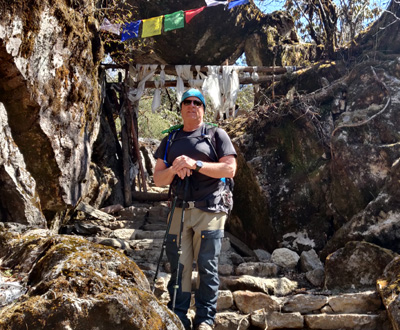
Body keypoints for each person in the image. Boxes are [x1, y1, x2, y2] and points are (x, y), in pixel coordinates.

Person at [153, 88, 237, 330]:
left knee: (207, 265)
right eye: (187, 102)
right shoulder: (169, 140)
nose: (192, 106)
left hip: (210, 208)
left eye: (197, 103)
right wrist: (175, 169)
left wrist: (196, 164)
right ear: (180, 108)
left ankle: (205, 319)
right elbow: (159, 179)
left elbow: (229, 169)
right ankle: (178, 315)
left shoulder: (216, 135)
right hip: (179, 209)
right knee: (179, 264)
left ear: (203, 109)